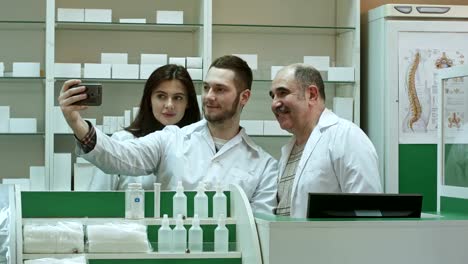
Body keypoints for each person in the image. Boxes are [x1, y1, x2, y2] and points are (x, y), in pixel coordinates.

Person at [59, 55, 278, 214]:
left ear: (244, 97)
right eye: (206, 87)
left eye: (220, 89)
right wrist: (76, 123)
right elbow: (120, 155)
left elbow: (259, 229)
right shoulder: (172, 137)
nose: (209, 96)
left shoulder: (264, 165)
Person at [270, 63, 382, 218]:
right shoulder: (289, 151)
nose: (274, 103)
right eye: (273, 96)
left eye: (282, 93)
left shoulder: (347, 137)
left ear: (312, 95)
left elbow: (367, 212)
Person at [89, 64, 201, 190]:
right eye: (161, 96)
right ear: (149, 100)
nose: (169, 105)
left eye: (178, 98)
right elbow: (98, 198)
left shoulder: (198, 145)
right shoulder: (122, 141)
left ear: (188, 103)